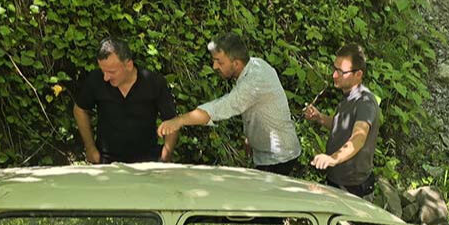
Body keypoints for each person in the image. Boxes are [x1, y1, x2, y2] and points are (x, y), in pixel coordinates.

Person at [157, 33, 302, 175]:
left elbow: (221, 107)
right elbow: (255, 106)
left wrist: (179, 121)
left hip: (279, 156)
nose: (214, 66)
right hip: (267, 153)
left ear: (236, 63)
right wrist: (250, 138)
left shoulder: (254, 79)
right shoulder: (255, 65)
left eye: (220, 62)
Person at [71, 37, 179, 164]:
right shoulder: (96, 79)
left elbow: (172, 120)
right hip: (107, 162)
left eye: (111, 72)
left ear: (128, 65)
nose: (106, 77)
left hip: (147, 163)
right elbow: (80, 110)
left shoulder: (153, 82)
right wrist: (90, 147)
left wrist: (166, 153)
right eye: (103, 71)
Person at [303, 43, 379, 201]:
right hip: (336, 180)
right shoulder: (348, 97)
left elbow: (358, 137)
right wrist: (320, 118)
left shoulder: (365, 101)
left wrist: (332, 159)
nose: (334, 75)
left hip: (353, 189)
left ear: (358, 74)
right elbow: (342, 126)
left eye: (341, 72)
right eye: (334, 69)